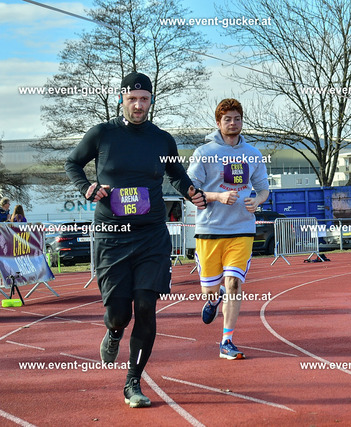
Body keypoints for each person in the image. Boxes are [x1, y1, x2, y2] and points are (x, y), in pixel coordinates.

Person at [65, 72, 205, 408]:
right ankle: (114, 331)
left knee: (145, 306)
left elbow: (176, 174)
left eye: (144, 99)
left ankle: (133, 381)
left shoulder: (162, 140)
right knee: (119, 313)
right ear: (121, 100)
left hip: (151, 235)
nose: (138, 105)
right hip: (112, 235)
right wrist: (86, 187)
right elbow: (72, 163)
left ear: (151, 100)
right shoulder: (102, 134)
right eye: (132, 99)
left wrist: (191, 191)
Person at [187, 98, 269, 360]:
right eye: (227, 119)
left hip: (242, 228)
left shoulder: (253, 154)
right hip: (210, 229)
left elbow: (264, 189)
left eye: (237, 119)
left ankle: (227, 341)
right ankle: (214, 298)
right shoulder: (204, 152)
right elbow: (190, 189)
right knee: (210, 289)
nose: (233, 123)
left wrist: (257, 200)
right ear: (218, 122)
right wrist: (217, 196)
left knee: (233, 283)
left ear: (242, 121)